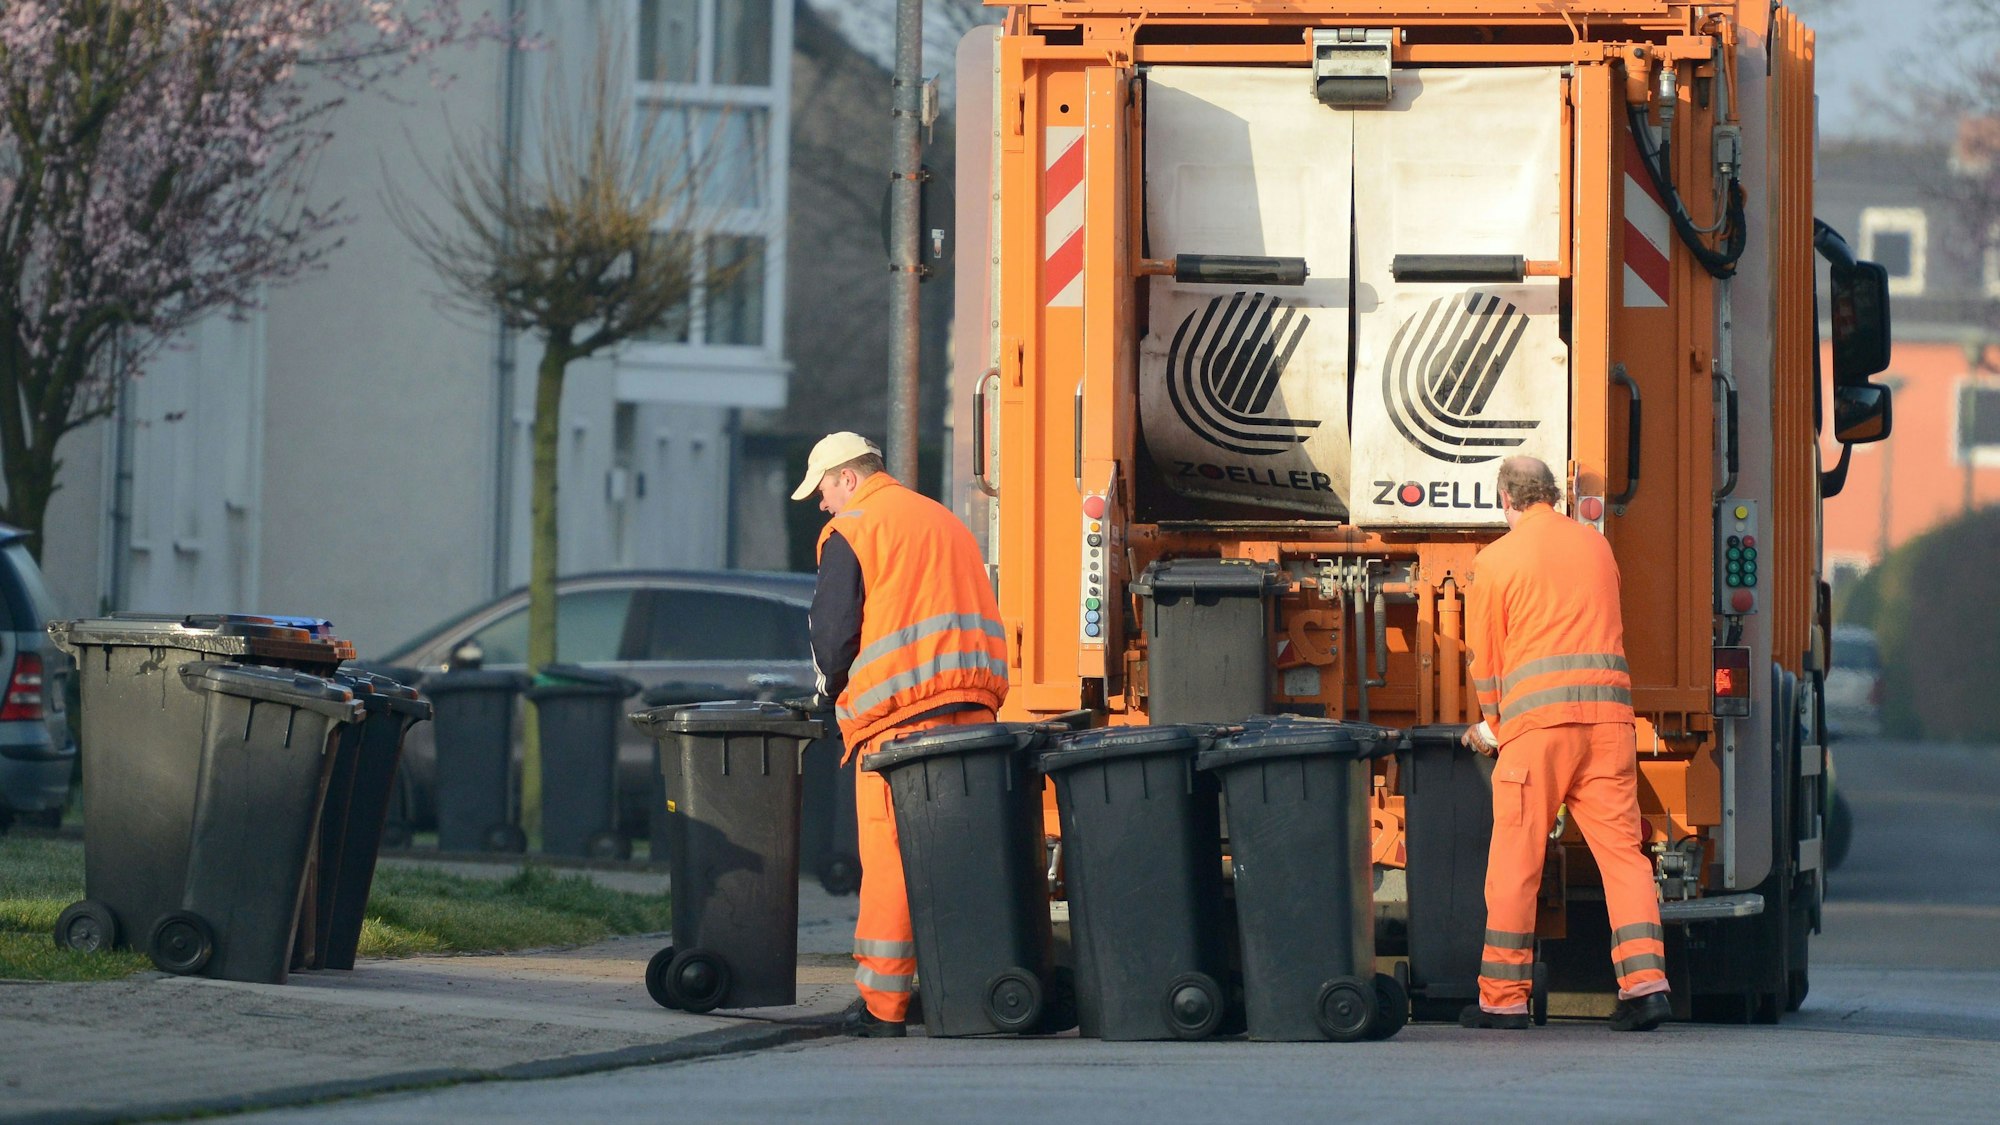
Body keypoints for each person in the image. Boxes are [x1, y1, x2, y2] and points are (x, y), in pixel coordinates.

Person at [792, 431, 1009, 1038]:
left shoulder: (854, 529)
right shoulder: (942, 520)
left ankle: (884, 1005)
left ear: (850, 479)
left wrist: (826, 694)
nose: (821, 505)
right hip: (973, 710)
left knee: (891, 859)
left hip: (898, 720)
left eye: (824, 490)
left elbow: (833, 636)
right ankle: (972, 994)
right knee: (960, 858)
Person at [1458, 456, 1671, 1033]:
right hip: (1608, 727)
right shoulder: (1596, 548)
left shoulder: (1494, 563)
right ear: (1552, 494)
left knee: (1516, 862)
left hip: (1537, 733)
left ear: (1505, 497)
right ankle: (1645, 986)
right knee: (1623, 857)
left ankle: (1502, 999)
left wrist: (1491, 725)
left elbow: (1486, 661)